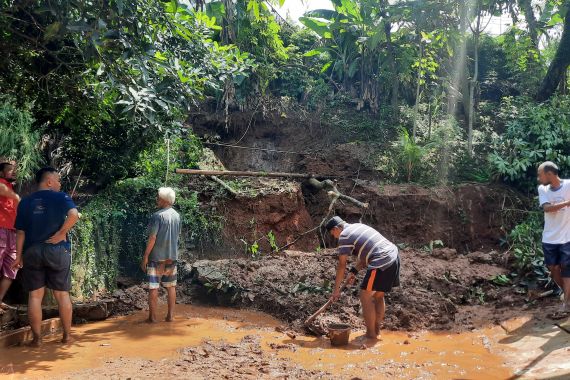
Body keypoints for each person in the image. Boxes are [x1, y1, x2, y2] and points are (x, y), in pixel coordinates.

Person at [12, 167, 79, 346]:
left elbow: (20, 232)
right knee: (62, 294)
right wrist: (62, 232)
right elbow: (74, 215)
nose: (59, 183)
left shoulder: (25, 202)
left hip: (32, 251)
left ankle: (37, 340)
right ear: (49, 181)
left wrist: (18, 257)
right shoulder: (61, 197)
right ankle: (66, 337)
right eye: (58, 180)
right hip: (57, 249)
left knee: (34, 296)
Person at [326, 216, 400, 339]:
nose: (334, 237)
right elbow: (367, 254)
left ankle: (370, 335)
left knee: (365, 296)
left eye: (333, 233)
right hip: (393, 256)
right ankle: (377, 332)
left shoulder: (344, 235)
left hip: (381, 260)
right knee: (378, 295)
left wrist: (335, 291)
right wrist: (354, 271)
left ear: (336, 228)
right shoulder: (358, 226)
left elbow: (341, 265)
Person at [140, 187, 181, 323]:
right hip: (172, 257)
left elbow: (152, 238)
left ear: (164, 200)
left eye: (158, 198)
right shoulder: (177, 215)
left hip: (157, 258)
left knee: (153, 287)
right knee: (171, 287)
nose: (156, 200)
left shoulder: (157, 216)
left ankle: (152, 318)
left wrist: (145, 256)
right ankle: (170, 316)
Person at [537, 161, 570, 313]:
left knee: (566, 268)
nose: (538, 178)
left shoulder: (569, 185)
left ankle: (566, 302)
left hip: (567, 236)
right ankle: (567, 293)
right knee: (553, 268)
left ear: (549, 174)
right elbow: (547, 208)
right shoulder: (543, 189)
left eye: (540, 174)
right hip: (549, 237)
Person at [0, 162, 20, 312]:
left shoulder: (10, 186)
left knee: (12, 267)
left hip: (12, 232)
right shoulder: (2, 184)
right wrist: (16, 197)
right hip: (1, 229)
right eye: (10, 170)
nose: (14, 172)